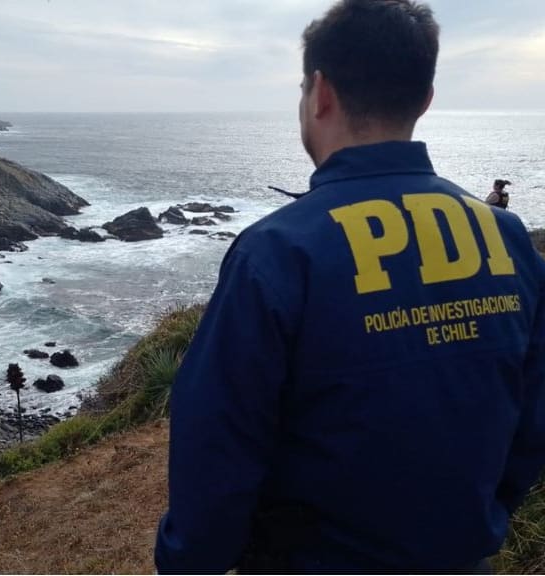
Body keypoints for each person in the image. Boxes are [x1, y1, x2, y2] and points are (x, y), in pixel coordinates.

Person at [154, 0, 545, 573]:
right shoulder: (509, 239)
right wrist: (479, 520)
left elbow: (216, 450)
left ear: (320, 93)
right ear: (425, 99)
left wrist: (188, 564)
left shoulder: (279, 251)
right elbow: (532, 420)